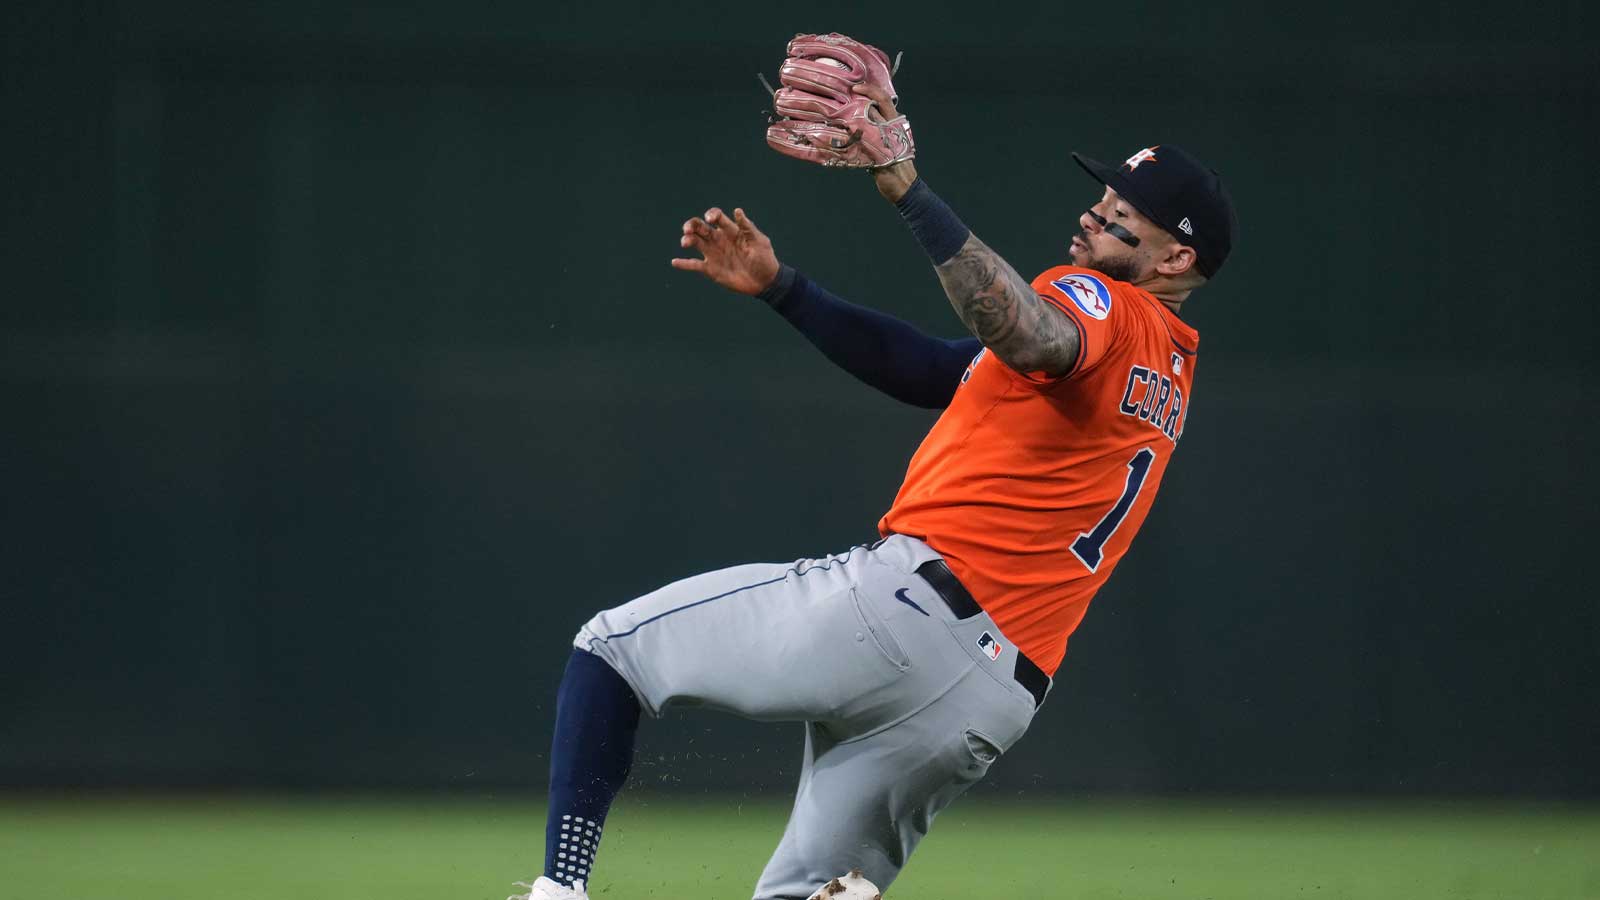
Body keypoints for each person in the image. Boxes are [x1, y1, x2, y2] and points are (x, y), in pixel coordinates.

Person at [509, 83, 1236, 900]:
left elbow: (1029, 333)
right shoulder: (1164, 368)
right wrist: (785, 288)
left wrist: (906, 188)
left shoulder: (1103, 304)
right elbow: (931, 369)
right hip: (989, 700)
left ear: (1176, 260)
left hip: (906, 617)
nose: (1095, 214)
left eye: (1123, 213)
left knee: (613, 651)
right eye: (1104, 199)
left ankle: (559, 892)